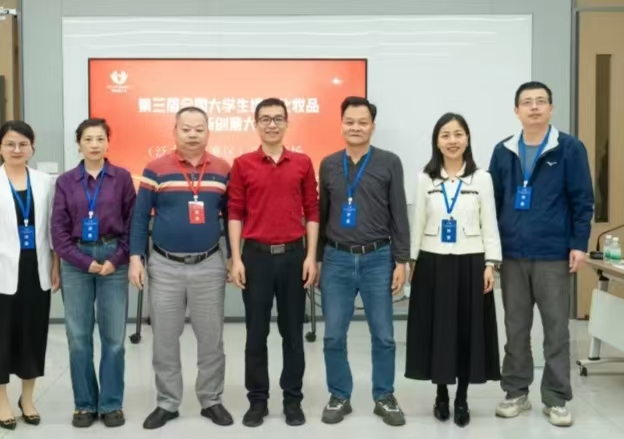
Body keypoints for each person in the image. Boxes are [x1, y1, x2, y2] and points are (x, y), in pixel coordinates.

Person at [489, 81, 594, 427]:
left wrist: (579, 243)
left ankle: (556, 398)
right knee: (516, 328)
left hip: (553, 254)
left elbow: (582, 200)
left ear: (551, 108)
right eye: (527, 102)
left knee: (556, 330)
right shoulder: (503, 151)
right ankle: (516, 392)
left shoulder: (569, 148)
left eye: (540, 101)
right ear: (516, 110)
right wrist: (492, 251)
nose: (534, 107)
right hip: (512, 255)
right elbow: (493, 203)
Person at [129, 106, 233, 430]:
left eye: (199, 129)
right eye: (186, 129)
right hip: (164, 266)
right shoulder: (155, 169)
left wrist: (233, 257)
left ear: (208, 132)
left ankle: (211, 399)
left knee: (211, 339)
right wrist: (136, 257)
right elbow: (140, 217)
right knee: (164, 338)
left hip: (209, 264)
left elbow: (232, 217)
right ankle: (167, 402)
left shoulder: (222, 169)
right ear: (174, 131)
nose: (192, 134)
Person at [317, 96, 410, 426]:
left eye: (362, 122)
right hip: (336, 259)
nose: (356, 127)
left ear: (372, 126)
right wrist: (317, 259)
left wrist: (402, 260)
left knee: (383, 335)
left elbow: (399, 213)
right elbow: (322, 213)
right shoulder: (329, 164)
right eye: (350, 122)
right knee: (333, 335)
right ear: (341, 124)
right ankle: (339, 395)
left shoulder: (389, 162)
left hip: (378, 259)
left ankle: (384, 396)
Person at [405, 113, 502, 428]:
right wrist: (412, 262)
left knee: (466, 330)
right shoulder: (425, 179)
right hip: (432, 262)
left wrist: (490, 264)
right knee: (438, 330)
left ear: (467, 139)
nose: (452, 140)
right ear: (437, 141)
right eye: (445, 135)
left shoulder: (481, 178)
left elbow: (490, 223)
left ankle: (461, 398)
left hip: (471, 262)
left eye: (458, 134)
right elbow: (417, 222)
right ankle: (441, 394)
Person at [228, 98, 319, 427]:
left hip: (294, 257)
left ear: (287, 123)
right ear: (256, 124)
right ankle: (258, 400)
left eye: (278, 118)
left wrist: (311, 256)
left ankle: (293, 400)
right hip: (256, 258)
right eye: (265, 119)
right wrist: (236, 257)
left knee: (292, 333)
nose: (271, 124)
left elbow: (312, 211)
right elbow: (235, 212)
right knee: (256, 333)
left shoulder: (302, 163)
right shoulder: (243, 164)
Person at [51, 118, 136, 428]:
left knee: (114, 338)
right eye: (88, 139)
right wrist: (83, 262)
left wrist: (117, 258)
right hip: (77, 262)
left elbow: (133, 224)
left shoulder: (122, 178)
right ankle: (84, 404)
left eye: (100, 138)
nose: (95, 144)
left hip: (114, 259)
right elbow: (58, 231)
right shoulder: (65, 181)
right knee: (78, 338)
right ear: (79, 144)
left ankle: (111, 404)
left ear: (108, 143)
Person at [0, 120, 60, 431]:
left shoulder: (44, 182)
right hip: (2, 271)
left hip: (36, 269)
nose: (16, 149)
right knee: (1, 336)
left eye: (23, 144)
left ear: (32, 148)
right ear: (1, 147)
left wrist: (55, 263)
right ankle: (1, 400)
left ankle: (27, 398)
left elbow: (53, 227)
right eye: (10, 143)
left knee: (33, 334)